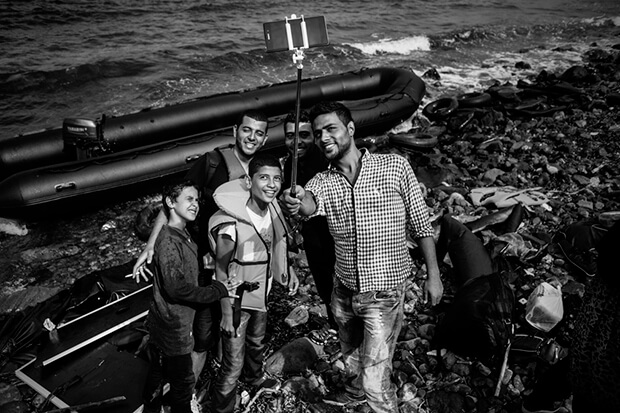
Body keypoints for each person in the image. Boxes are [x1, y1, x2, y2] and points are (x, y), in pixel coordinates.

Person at [282, 101, 443, 413]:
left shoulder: (394, 167)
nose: (323, 138)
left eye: (331, 129)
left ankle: (380, 403)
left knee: (375, 381)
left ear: (351, 129)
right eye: (318, 134)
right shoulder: (322, 181)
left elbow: (423, 225)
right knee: (351, 355)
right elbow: (308, 206)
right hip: (342, 292)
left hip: (383, 295)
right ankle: (355, 392)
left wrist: (433, 276)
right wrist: (296, 200)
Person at [132, 110, 269, 389]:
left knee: (232, 324)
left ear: (265, 139)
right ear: (235, 131)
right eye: (247, 130)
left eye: (258, 133)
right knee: (203, 330)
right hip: (206, 263)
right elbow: (172, 200)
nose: (251, 137)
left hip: (241, 265)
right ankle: (188, 388)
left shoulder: (262, 173)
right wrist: (149, 246)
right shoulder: (212, 162)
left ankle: (223, 370)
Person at [208, 153, 299, 413]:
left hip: (262, 294)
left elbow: (276, 246)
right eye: (264, 178)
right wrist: (226, 313)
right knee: (232, 362)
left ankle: (255, 377)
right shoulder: (231, 225)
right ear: (249, 181)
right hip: (236, 303)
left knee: (257, 341)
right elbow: (220, 270)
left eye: (277, 179)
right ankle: (222, 407)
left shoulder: (273, 211)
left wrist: (288, 271)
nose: (271, 184)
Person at [142, 180, 241, 413]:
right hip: (174, 326)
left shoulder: (183, 234)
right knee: (184, 382)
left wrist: (204, 264)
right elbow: (177, 289)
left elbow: (181, 271)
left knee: (158, 368)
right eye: (189, 199)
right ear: (170, 202)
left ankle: (150, 403)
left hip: (164, 322)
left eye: (197, 200)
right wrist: (219, 289)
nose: (195, 204)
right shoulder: (168, 241)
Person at [281, 110, 337, 331]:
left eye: (303, 135)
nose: (296, 142)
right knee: (323, 284)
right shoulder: (289, 165)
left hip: (335, 234)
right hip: (312, 237)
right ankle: (335, 324)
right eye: (290, 136)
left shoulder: (326, 159)